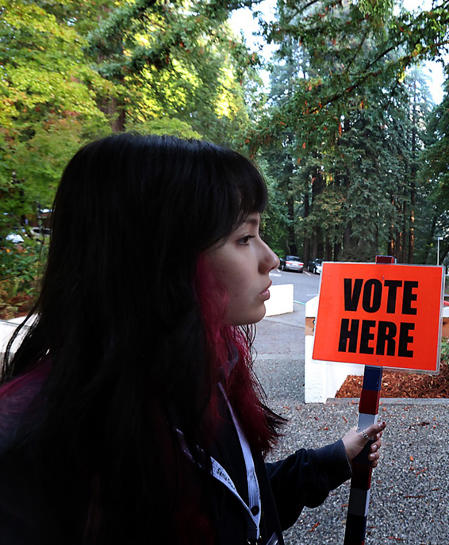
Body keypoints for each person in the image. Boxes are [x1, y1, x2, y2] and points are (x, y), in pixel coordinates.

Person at [0, 134, 385, 545]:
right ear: (160, 260)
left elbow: (237, 505)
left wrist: (332, 459)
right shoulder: (41, 451)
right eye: (243, 238)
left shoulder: (204, 376)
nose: (271, 259)